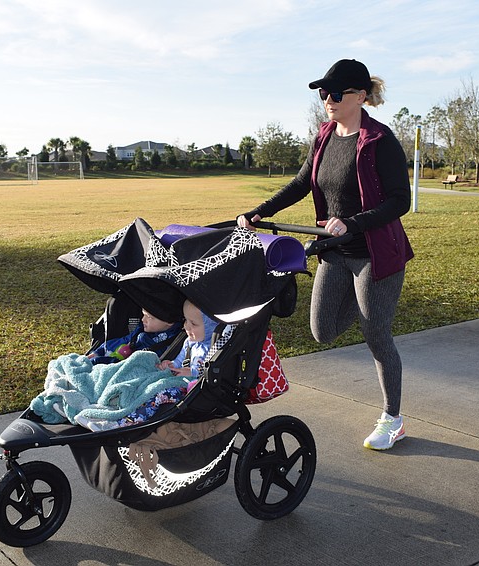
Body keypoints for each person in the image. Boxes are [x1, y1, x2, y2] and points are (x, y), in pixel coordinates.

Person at [237, 59, 414, 450]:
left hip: (375, 253)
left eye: (337, 93)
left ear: (361, 96)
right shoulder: (324, 136)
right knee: (322, 330)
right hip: (335, 252)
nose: (328, 100)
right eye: (324, 93)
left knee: (376, 334)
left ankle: (392, 418)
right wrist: (260, 211)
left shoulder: (379, 140)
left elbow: (401, 201)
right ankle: (367, 306)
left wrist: (352, 222)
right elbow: (302, 183)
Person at [88, 309, 183, 364]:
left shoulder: (175, 339)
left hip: (138, 366)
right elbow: (123, 341)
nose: (143, 319)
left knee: (96, 362)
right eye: (143, 314)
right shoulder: (141, 330)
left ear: (169, 322)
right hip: (121, 359)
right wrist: (99, 351)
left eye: (149, 317)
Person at [158, 300, 219, 378]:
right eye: (186, 320)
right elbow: (179, 361)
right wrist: (172, 365)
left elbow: (211, 373)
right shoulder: (189, 343)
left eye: (193, 324)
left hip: (199, 384)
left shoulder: (214, 348)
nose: (186, 326)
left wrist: (192, 373)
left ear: (211, 326)